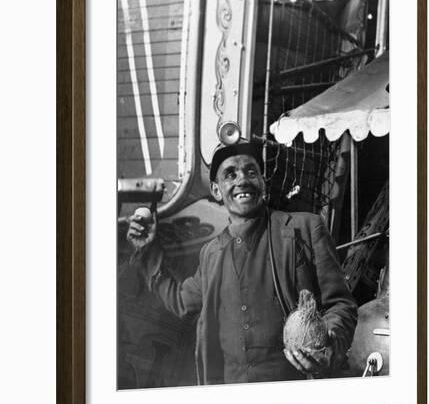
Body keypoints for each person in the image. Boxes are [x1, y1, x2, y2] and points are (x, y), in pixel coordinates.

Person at [127, 140, 357, 385]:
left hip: (295, 388)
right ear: (216, 191)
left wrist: (328, 349)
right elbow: (182, 302)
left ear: (262, 182)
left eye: (251, 171)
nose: (242, 180)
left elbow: (341, 305)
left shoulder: (306, 228)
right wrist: (147, 250)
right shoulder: (210, 254)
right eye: (230, 174)